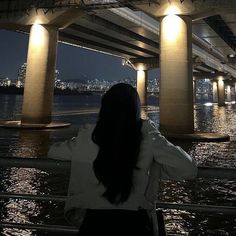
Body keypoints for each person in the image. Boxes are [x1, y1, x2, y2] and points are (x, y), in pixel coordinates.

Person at [48, 83, 198, 236]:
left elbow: (53, 151)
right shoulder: (147, 134)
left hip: (93, 224)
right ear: (135, 108)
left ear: (104, 107)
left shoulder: (89, 136)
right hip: (135, 225)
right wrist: (153, 167)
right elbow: (189, 168)